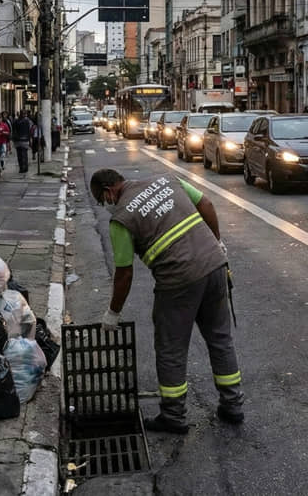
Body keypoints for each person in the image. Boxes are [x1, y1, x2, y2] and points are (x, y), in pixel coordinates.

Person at [89, 168, 244, 434]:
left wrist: (112, 313)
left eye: (104, 201)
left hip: (178, 281)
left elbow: (124, 273)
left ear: (108, 190)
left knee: (171, 348)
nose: (108, 206)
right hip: (215, 266)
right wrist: (216, 242)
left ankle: (173, 415)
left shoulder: (122, 219)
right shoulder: (166, 179)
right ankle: (233, 405)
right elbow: (206, 203)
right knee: (220, 339)